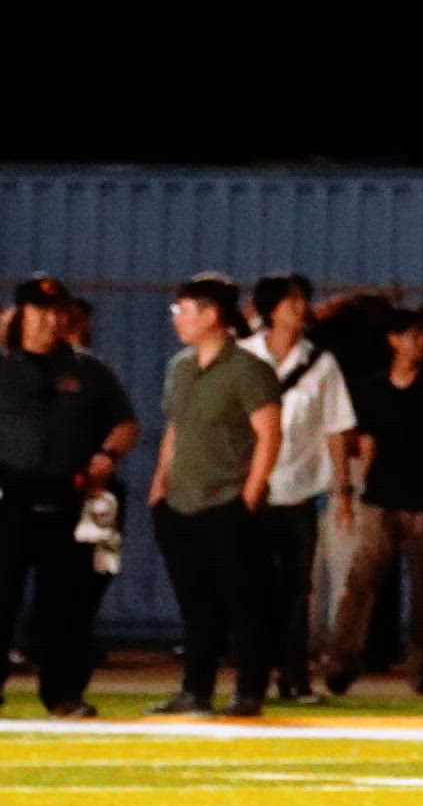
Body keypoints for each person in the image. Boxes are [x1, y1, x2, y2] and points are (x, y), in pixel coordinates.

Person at [0, 276, 138, 718]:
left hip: (69, 493)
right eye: (42, 312)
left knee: (68, 602)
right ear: (21, 314)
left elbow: (124, 422)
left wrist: (106, 455)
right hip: (10, 493)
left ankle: (64, 694)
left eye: (60, 312)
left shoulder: (88, 370)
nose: (52, 320)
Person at [149, 274, 283, 717]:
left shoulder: (249, 370)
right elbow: (176, 428)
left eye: (182, 310)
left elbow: (269, 433)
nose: (176, 319)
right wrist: (160, 486)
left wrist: (249, 495)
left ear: (211, 315)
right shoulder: (179, 368)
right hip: (180, 503)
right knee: (195, 601)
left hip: (227, 502)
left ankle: (248, 691)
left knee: (245, 601)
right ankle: (195, 689)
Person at [321, 306, 423, 696]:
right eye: (412, 335)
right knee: (360, 582)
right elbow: (367, 443)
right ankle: (341, 661)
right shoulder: (372, 390)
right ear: (393, 340)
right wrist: (352, 493)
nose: (420, 343)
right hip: (380, 501)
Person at [239, 275, 356, 701]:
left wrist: (342, 492)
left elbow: (337, 429)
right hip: (249, 490)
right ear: (270, 309)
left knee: (296, 588)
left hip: (299, 492)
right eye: (291, 301)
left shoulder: (321, 363)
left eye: (303, 300)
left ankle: (293, 676)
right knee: (251, 585)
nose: (301, 308)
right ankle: (250, 674)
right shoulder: (243, 356)